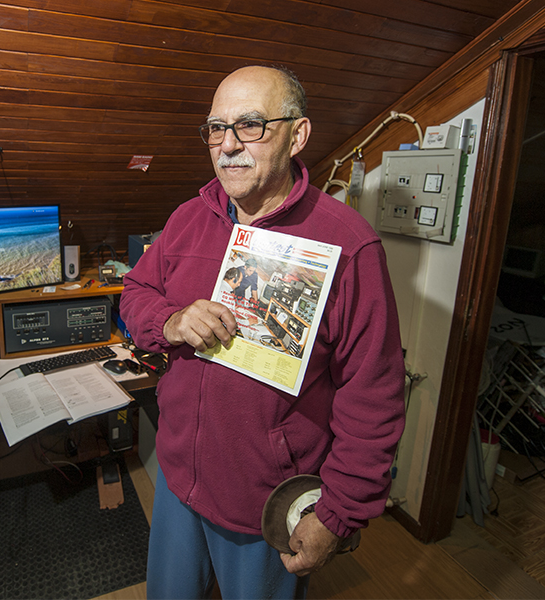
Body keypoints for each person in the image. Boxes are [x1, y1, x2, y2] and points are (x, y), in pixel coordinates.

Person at [119, 65, 405, 599]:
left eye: (250, 125)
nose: (227, 145)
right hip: (179, 479)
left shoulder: (350, 246)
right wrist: (171, 321)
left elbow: (375, 396)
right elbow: (134, 295)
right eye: (215, 128)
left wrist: (338, 515)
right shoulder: (186, 218)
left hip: (264, 503)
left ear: (298, 135)